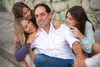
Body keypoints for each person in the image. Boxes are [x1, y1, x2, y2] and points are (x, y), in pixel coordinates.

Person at [12, 2, 61, 67]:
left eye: (28, 10)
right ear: (20, 17)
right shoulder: (19, 32)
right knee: (27, 55)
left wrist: (56, 22)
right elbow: (18, 57)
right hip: (34, 48)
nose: (29, 13)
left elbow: (47, 19)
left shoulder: (34, 14)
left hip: (46, 45)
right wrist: (29, 41)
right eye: (25, 13)